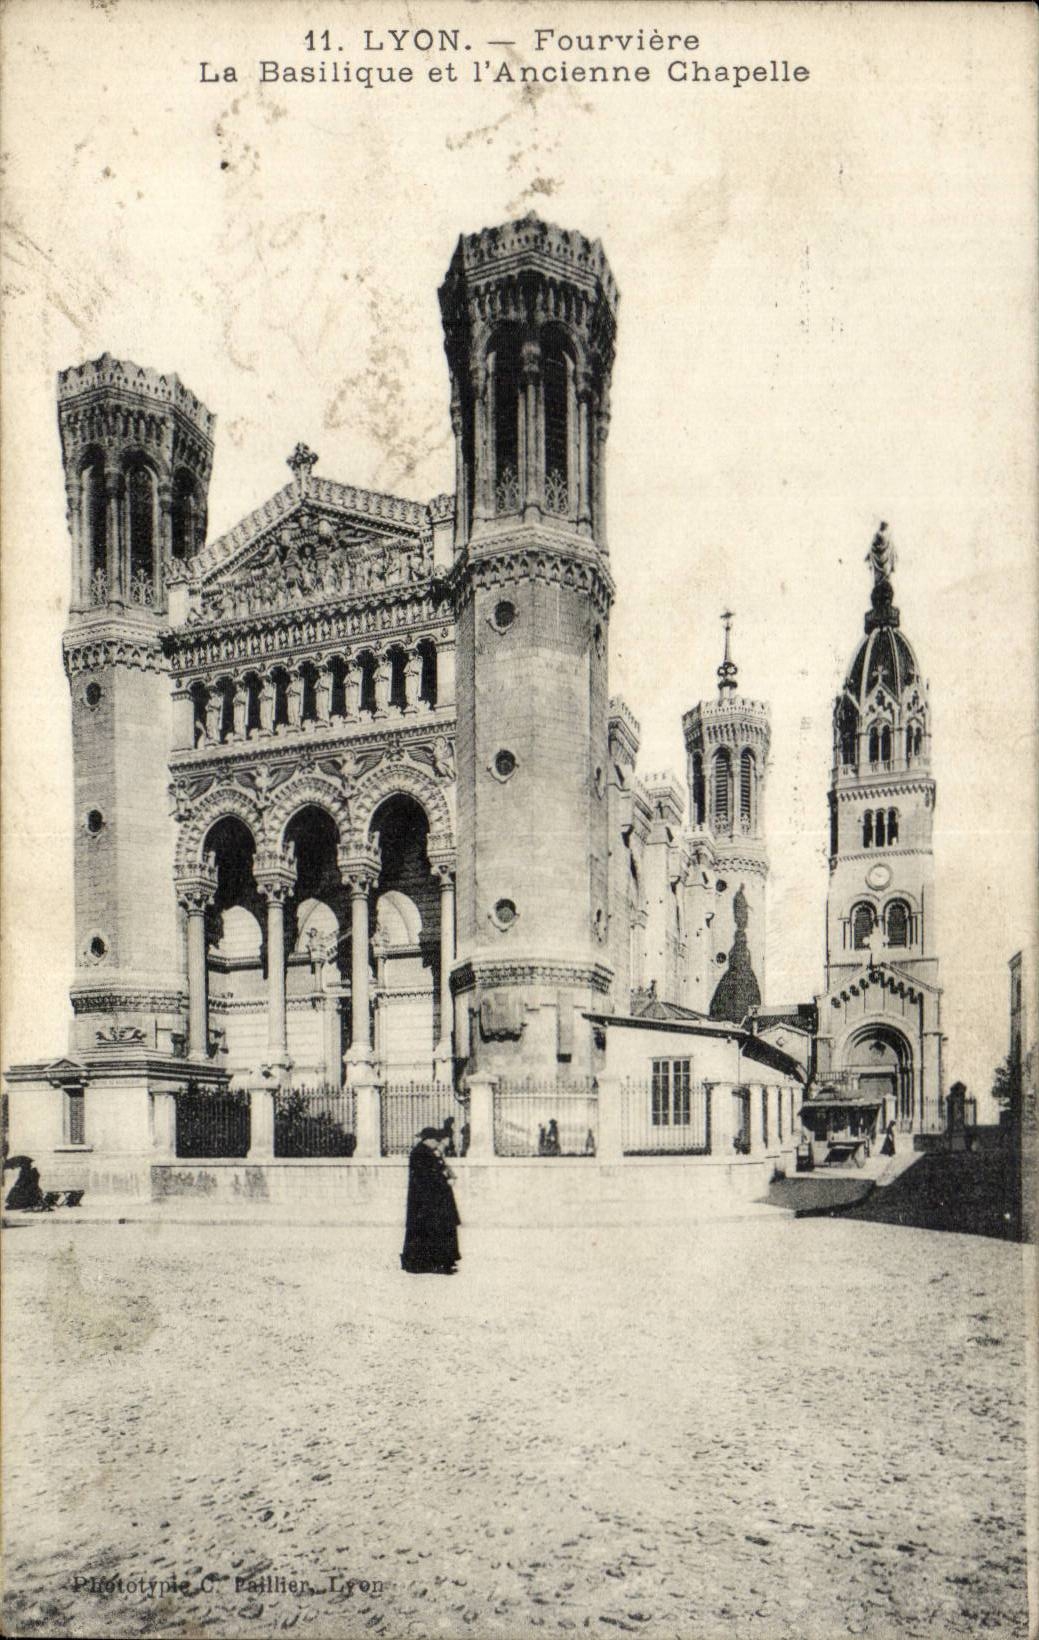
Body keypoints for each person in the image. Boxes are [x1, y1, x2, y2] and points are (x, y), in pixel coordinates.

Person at [400, 1127, 460, 1275]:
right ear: (429, 1140)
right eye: (436, 1140)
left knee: (432, 1231)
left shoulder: (426, 1152)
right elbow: (427, 1176)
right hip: (425, 1202)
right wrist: (445, 1181)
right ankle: (425, 1264)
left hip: (430, 1200)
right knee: (427, 1232)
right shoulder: (420, 1153)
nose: (437, 1143)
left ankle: (433, 1263)